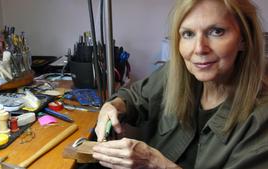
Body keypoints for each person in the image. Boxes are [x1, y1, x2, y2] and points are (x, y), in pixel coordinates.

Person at [92, 0, 268, 168]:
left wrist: (155, 163)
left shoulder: (260, 120)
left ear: (244, 39)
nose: (199, 48)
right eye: (188, 34)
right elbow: (135, 96)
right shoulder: (177, 73)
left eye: (217, 31)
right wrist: (113, 106)